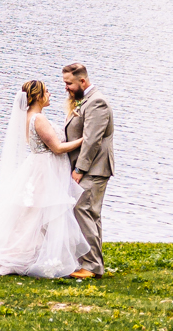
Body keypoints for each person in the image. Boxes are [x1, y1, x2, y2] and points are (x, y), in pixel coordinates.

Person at [0, 79, 87, 278]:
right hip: (45, 171)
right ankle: (29, 256)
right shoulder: (38, 119)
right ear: (38, 96)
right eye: (46, 92)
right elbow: (56, 148)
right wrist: (84, 140)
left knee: (33, 216)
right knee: (38, 216)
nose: (50, 95)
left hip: (39, 167)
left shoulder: (31, 116)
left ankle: (42, 253)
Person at [62, 62, 115, 279]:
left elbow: (92, 140)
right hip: (89, 168)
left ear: (82, 81)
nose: (66, 87)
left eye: (69, 83)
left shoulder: (97, 102)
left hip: (93, 168)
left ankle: (92, 266)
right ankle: (94, 263)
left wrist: (79, 169)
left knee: (82, 211)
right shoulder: (84, 100)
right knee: (90, 214)